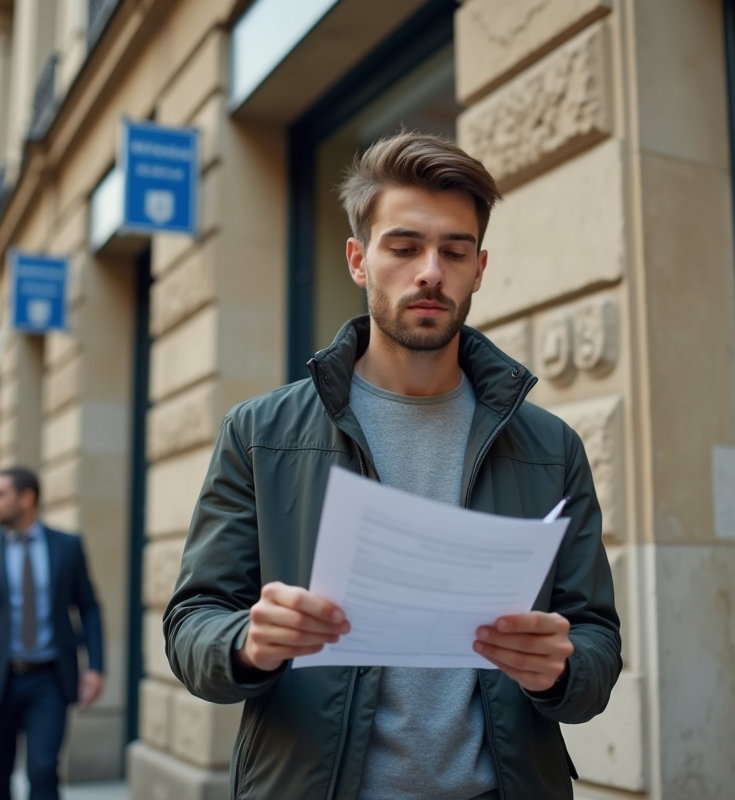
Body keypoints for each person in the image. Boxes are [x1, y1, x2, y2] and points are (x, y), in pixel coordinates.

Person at [165, 132, 622, 799]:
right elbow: (192, 624)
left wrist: (560, 668)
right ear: (358, 259)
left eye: (454, 251)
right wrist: (246, 640)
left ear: (479, 267)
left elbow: (597, 647)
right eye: (404, 247)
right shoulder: (259, 435)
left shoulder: (550, 448)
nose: (430, 272)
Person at [0, 466, 105, 800]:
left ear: (26, 498)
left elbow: (89, 607)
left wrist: (95, 667)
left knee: (44, 769)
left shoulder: (68, 546)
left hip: (48, 679)